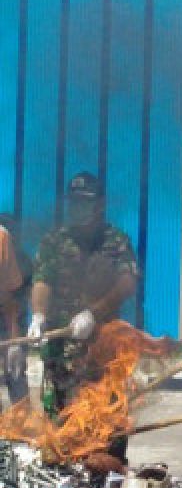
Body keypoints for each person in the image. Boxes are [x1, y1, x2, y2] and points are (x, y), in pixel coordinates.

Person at [28, 174, 138, 422]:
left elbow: (127, 283)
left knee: (106, 414)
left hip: (102, 341)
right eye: (74, 202)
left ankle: (109, 459)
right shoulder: (55, 241)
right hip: (62, 346)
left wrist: (93, 313)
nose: (79, 207)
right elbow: (42, 279)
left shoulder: (116, 241)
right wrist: (38, 315)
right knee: (60, 417)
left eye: (85, 201)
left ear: (99, 204)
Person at [0, 213, 30, 407]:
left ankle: (20, 430)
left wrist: (14, 342)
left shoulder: (1, 238)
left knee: (16, 376)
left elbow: (8, 295)